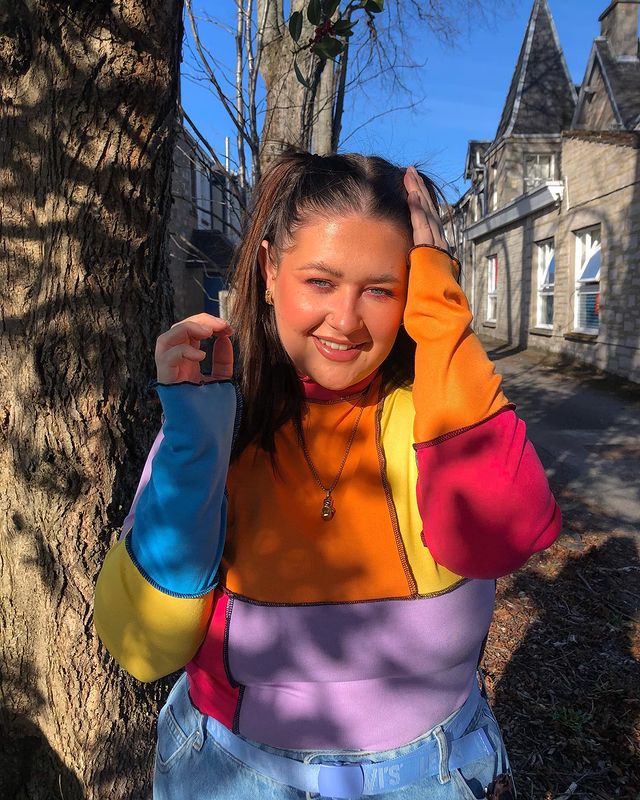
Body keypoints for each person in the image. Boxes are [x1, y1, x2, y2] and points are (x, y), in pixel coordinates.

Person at [94, 151, 561, 800]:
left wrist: (442, 306)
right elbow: (142, 647)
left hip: (432, 776)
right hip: (232, 776)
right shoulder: (217, 418)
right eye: (320, 282)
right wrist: (195, 452)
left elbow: (502, 535)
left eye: (380, 289)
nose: (346, 320)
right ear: (268, 270)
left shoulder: (439, 413)